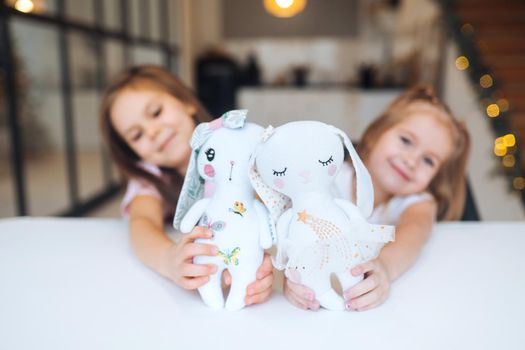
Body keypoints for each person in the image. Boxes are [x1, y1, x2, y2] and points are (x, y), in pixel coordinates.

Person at [283, 85, 471, 311]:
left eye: (429, 161)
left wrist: (384, 267)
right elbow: (288, 227)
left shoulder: (416, 202)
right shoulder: (328, 180)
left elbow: (415, 233)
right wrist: (292, 273)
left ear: (435, 178)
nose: (412, 161)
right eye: (406, 141)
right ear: (374, 136)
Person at [99, 65, 273, 305]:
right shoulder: (150, 177)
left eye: (156, 112)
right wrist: (167, 259)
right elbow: (141, 223)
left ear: (185, 102)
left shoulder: (235, 149)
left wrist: (260, 263)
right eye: (136, 135)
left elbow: (268, 210)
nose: (152, 131)